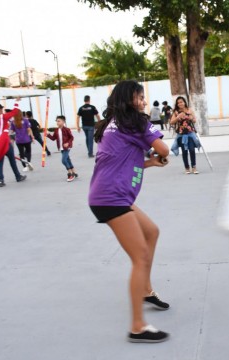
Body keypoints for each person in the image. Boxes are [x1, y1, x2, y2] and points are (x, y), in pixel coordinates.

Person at [88, 80, 170, 343]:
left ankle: (145, 289)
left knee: (152, 232)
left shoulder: (114, 123)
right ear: (128, 98)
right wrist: (159, 150)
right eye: (140, 96)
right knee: (141, 256)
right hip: (112, 197)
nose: (144, 101)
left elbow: (121, 160)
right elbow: (164, 148)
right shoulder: (135, 122)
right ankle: (137, 326)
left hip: (109, 193)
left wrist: (150, 164)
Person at [0, 100, 26, 187]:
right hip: (5, 143)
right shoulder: (3, 117)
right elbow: (14, 111)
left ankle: (0, 180)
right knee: (12, 161)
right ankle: (18, 176)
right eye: (1, 109)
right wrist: (17, 102)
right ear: (0, 109)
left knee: (0, 162)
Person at [170, 96, 200, 174]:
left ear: (184, 102)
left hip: (190, 133)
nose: (180, 103)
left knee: (192, 149)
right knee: (184, 151)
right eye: (178, 102)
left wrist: (191, 117)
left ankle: (194, 167)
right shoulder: (176, 112)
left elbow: (194, 121)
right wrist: (178, 117)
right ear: (177, 104)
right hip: (181, 135)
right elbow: (171, 122)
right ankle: (187, 168)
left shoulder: (189, 110)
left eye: (181, 102)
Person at [47, 115, 78, 182]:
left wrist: (67, 143)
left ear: (63, 122)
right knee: (68, 160)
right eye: (57, 121)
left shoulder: (67, 129)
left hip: (67, 147)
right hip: (61, 148)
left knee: (64, 160)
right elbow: (53, 138)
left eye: (59, 121)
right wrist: (48, 135)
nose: (57, 122)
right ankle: (74, 172)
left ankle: (70, 173)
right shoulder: (56, 130)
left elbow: (71, 137)